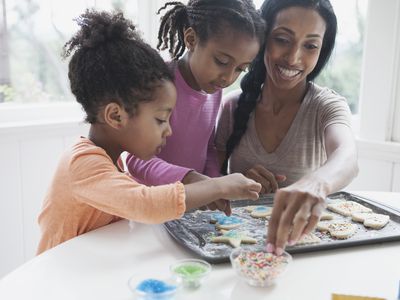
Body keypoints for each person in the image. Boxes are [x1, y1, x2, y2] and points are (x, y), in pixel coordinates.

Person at [37, 10, 261, 254]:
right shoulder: (83, 165)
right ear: (115, 116)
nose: (168, 130)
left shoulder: (109, 165)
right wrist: (220, 186)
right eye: (161, 120)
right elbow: (145, 203)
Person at [215, 0, 358, 255]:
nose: (294, 58)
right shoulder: (231, 106)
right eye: (282, 39)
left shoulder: (327, 106)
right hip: (239, 258)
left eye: (310, 45)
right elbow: (212, 186)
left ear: (321, 50)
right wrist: (234, 184)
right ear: (262, 38)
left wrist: (316, 184)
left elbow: (347, 157)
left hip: (304, 254)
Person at [125, 0, 265, 215]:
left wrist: (214, 184)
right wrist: (194, 179)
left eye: (240, 69)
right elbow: (136, 160)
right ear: (190, 39)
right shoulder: (157, 86)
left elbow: (207, 148)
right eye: (221, 61)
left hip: (188, 211)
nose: (228, 78)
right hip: (149, 210)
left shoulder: (214, 90)